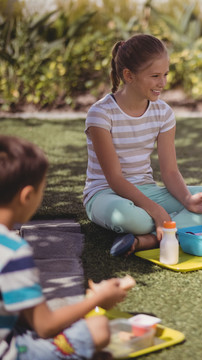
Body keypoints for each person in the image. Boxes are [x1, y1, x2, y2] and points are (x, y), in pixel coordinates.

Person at [83, 34, 202, 256]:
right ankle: (171, 228)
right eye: (155, 76)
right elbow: (114, 179)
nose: (162, 83)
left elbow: (170, 170)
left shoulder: (163, 113)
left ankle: (148, 239)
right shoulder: (101, 114)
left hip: (148, 190)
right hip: (105, 195)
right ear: (129, 75)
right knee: (130, 217)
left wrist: (188, 200)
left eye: (165, 74)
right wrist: (156, 211)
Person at [0, 135, 128, 359]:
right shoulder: (12, 251)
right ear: (27, 196)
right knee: (98, 328)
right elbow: (45, 326)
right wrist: (97, 300)